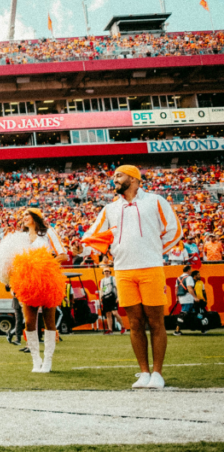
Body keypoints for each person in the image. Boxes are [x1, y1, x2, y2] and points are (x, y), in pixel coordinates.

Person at [83, 165, 181, 389]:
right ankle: (144, 372)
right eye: (114, 177)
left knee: (156, 323)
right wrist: (84, 249)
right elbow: (92, 235)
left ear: (134, 178)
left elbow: (175, 230)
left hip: (151, 267)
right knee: (135, 324)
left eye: (118, 175)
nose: (114, 180)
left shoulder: (155, 201)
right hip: (123, 270)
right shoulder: (110, 208)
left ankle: (157, 373)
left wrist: (156, 251)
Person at [14, 208, 69, 373]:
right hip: (27, 283)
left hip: (47, 280)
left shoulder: (47, 233)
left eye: (26, 214)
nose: (23, 218)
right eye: (22, 215)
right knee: (29, 322)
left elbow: (63, 255)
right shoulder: (21, 238)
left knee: (49, 321)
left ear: (35, 217)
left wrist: (45, 264)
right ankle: (35, 359)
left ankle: (48, 361)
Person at [98, 266, 125, 335]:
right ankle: (110, 329)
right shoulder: (102, 281)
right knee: (108, 314)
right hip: (106, 298)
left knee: (115, 313)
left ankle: (123, 327)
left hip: (112, 297)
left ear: (110, 272)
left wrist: (118, 297)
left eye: (107, 271)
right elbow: (102, 290)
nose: (106, 272)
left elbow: (117, 288)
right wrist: (100, 298)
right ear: (103, 272)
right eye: (105, 271)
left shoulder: (113, 279)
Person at [173, 265, 196, 336]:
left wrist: (177, 298)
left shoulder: (178, 278)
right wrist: (195, 297)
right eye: (191, 270)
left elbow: (176, 289)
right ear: (189, 270)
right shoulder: (189, 278)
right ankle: (177, 330)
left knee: (189, 313)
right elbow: (189, 288)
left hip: (181, 297)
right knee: (184, 314)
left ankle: (193, 326)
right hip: (188, 298)